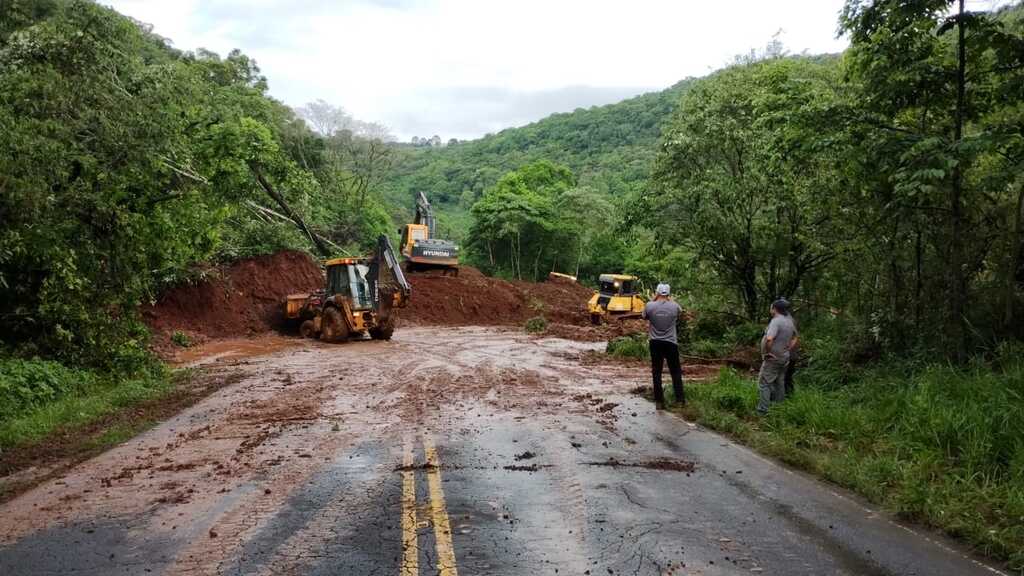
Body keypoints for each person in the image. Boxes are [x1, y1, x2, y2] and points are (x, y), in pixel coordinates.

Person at [643, 283, 685, 410]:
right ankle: (680, 401)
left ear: (657, 293)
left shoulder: (650, 306)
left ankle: (659, 402)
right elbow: (680, 312)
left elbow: (644, 316)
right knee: (676, 372)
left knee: (656, 372)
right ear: (668, 294)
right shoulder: (675, 307)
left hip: (655, 342)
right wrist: (670, 301)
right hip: (671, 343)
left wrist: (654, 300)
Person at [757, 298, 798, 415]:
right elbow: (795, 337)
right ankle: (779, 409)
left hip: (773, 358)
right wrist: (788, 348)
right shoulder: (789, 321)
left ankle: (762, 412)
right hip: (784, 357)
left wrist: (768, 352)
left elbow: (769, 339)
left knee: (764, 384)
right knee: (779, 383)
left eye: (771, 307)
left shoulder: (776, 321)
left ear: (774, 309)